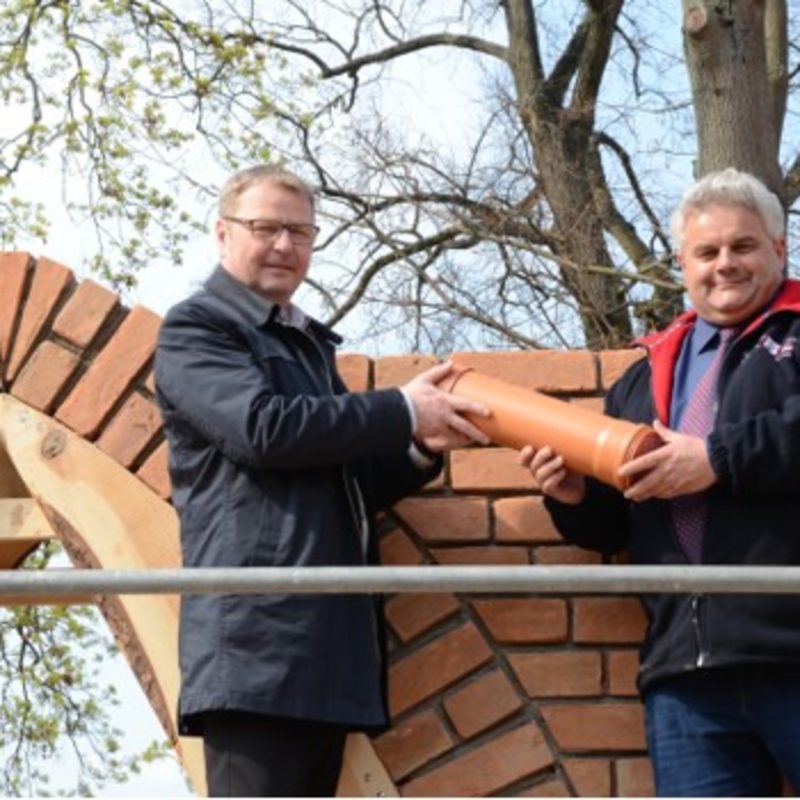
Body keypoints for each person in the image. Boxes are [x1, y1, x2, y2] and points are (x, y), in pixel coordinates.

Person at [154, 164, 489, 797]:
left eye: (301, 232)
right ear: (222, 234)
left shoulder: (304, 345)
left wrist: (417, 444)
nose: (285, 245)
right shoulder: (198, 328)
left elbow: (341, 478)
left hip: (319, 649)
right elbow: (263, 428)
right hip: (256, 650)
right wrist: (400, 409)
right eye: (266, 227)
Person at [521, 168, 800, 796]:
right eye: (707, 252)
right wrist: (570, 496)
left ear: (780, 250)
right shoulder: (645, 374)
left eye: (743, 246)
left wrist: (718, 458)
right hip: (686, 674)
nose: (724, 264)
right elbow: (613, 524)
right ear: (683, 263)